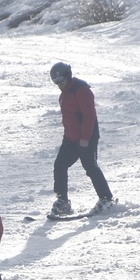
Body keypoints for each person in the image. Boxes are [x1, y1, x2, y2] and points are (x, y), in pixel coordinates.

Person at [50, 62, 114, 216]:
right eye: (56, 82)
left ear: (68, 75)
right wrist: (69, 136)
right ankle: (62, 201)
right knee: (60, 165)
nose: (59, 84)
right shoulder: (66, 91)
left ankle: (106, 199)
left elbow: (89, 116)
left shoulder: (81, 90)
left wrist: (85, 138)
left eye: (61, 80)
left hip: (87, 137)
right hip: (71, 138)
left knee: (90, 166)